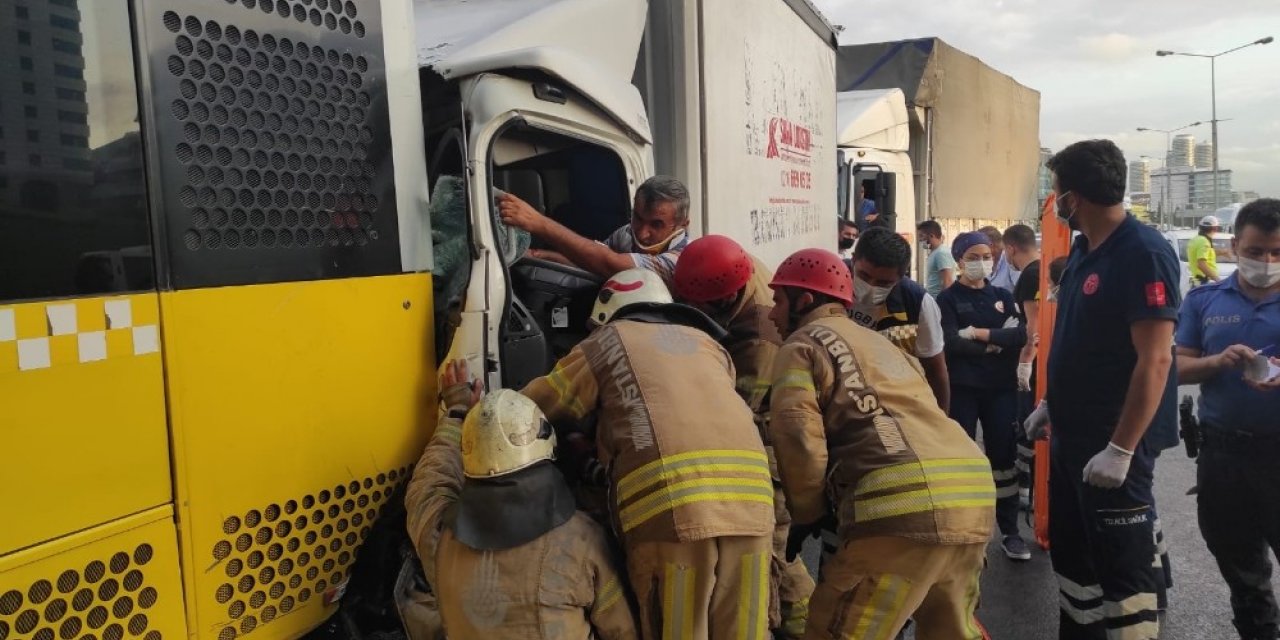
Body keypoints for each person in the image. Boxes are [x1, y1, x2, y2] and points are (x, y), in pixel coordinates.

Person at [522, 268, 774, 640]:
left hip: (673, 508)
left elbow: (538, 406)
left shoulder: (607, 340)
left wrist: (473, 408)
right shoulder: (709, 345)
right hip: (754, 503)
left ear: (607, 314)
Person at [765, 248, 995, 639]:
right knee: (952, 631)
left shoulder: (802, 345)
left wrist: (807, 512)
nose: (771, 314)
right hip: (972, 494)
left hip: (899, 508)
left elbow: (798, 436)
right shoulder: (882, 345)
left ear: (804, 301)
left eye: (778, 301)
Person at [1024, 139, 1180, 640]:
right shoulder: (1083, 250)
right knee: (1076, 566)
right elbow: (1079, 338)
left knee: (1123, 574)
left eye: (1056, 191)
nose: (1054, 202)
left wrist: (1121, 449)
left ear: (1075, 197)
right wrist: (1051, 402)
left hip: (1114, 445)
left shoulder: (1143, 252)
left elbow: (1155, 358)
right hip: (1074, 439)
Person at [405, 361, 638, 639]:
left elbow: (429, 481)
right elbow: (623, 630)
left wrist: (456, 412)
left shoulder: (440, 538)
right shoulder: (583, 542)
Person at [672, 235, 814, 639]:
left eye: (701, 307)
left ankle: (804, 625)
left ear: (725, 298)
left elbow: (738, 416)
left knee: (775, 546)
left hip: (767, 444)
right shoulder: (725, 264)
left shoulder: (758, 337)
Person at [1175, 198, 1280, 640]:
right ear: (1234, 246)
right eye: (1257, 251)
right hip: (1223, 456)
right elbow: (1175, 369)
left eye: (1277, 253)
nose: (1267, 262)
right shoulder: (1203, 300)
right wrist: (1218, 361)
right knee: (1241, 569)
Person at [936, 231, 1030, 561]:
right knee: (961, 458)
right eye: (973, 257)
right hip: (962, 390)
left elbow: (1020, 334)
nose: (981, 262)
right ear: (959, 261)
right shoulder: (946, 300)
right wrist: (994, 345)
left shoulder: (1003, 294)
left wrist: (980, 336)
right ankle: (961, 530)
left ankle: (1011, 531)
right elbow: (949, 341)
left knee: (1003, 461)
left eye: (985, 255)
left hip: (1001, 390)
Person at [497, 175, 691, 283]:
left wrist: (539, 223)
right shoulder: (625, 234)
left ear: (682, 226)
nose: (641, 233)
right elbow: (590, 260)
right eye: (638, 218)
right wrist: (538, 255)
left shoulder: (682, 260)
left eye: (656, 225)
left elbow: (608, 263)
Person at [847, 226, 950, 411]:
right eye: (864, 276)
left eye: (883, 283)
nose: (871, 286)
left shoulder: (918, 303)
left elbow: (935, 369)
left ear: (902, 276)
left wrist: (941, 420)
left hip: (893, 404)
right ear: (853, 259)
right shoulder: (831, 284)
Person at [917, 220, 956, 296]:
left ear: (931, 236)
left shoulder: (941, 253)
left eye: (921, 236)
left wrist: (945, 302)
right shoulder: (934, 253)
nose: (920, 240)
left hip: (939, 301)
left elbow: (947, 281)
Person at [1189, 215, 1223, 287]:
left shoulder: (1195, 240)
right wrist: (1218, 280)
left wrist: (1223, 252)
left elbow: (1206, 255)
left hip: (1197, 282)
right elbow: (1201, 264)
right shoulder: (1204, 242)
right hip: (1204, 282)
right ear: (1215, 228)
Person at [982, 226, 1017, 292]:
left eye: (981, 247)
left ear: (990, 245)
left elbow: (1021, 292)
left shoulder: (1011, 260)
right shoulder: (987, 260)